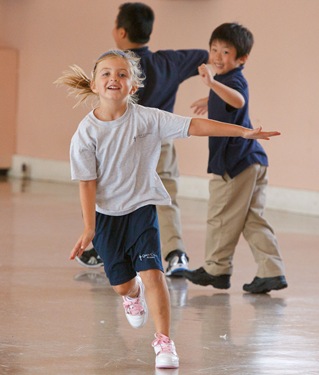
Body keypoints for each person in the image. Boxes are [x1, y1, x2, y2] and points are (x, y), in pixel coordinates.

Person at [55, 49, 280, 368]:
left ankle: (164, 342)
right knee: (121, 282)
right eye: (105, 73)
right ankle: (131, 295)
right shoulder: (86, 134)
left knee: (153, 273)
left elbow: (195, 126)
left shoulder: (147, 118)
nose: (113, 79)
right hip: (107, 216)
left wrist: (243, 132)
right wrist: (89, 227)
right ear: (94, 85)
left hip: (142, 208)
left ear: (133, 86)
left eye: (122, 74)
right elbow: (87, 183)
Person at [76, 2, 209, 277]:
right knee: (166, 195)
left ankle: (104, 247)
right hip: (160, 142)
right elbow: (206, 56)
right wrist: (216, 90)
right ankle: (175, 254)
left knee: (109, 194)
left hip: (117, 144)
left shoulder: (116, 67)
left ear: (121, 32)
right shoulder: (168, 62)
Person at [184, 22, 288, 294]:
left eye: (226, 52)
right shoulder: (225, 83)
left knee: (221, 214)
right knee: (252, 218)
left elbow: (238, 100)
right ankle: (271, 271)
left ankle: (216, 269)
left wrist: (212, 84)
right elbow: (230, 100)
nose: (217, 56)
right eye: (214, 49)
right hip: (252, 160)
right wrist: (211, 97)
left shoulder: (232, 81)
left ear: (242, 59)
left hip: (235, 163)